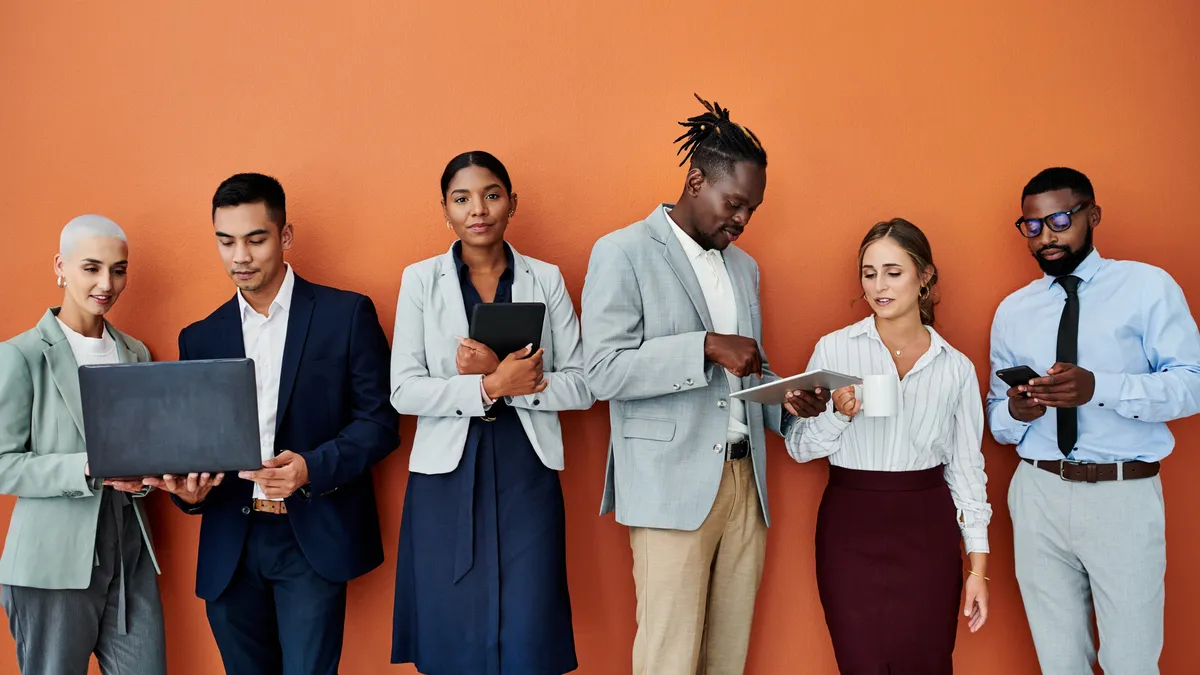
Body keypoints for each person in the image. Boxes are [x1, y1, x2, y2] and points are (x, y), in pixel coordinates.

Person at [580, 94, 828, 675]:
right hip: (670, 488)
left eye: (752, 210)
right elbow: (604, 371)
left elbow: (747, 370)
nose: (742, 221)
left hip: (748, 482)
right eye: (734, 203)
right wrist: (704, 346)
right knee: (668, 658)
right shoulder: (622, 252)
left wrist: (787, 403)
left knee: (727, 657)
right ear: (696, 181)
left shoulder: (744, 267)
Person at [145, 173, 399, 675]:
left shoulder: (346, 314)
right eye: (226, 241)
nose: (240, 255)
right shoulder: (199, 337)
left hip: (312, 537)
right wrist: (187, 496)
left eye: (255, 239)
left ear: (284, 237)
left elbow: (380, 422)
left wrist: (311, 467)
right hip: (229, 544)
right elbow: (194, 447)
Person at [988, 167, 1200, 674]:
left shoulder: (1148, 287)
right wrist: (1017, 410)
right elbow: (997, 418)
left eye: (1059, 219)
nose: (1046, 236)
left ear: (1093, 215)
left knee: (1131, 662)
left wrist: (1099, 387)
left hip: (1122, 495)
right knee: (1059, 663)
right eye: (1032, 226)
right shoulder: (1013, 311)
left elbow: (1192, 383)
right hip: (1038, 492)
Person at [388, 150, 593, 675]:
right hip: (444, 476)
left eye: (491, 194)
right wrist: (483, 387)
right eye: (462, 198)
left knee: (528, 626)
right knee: (449, 628)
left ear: (511, 203)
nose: (478, 209)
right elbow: (404, 391)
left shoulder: (544, 278)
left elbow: (584, 383)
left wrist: (511, 386)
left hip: (527, 468)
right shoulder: (419, 280)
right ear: (446, 211)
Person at [782, 218, 991, 674]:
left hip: (928, 530)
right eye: (869, 272)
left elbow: (967, 471)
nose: (879, 285)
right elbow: (799, 449)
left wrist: (977, 569)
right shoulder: (834, 349)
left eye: (893, 272)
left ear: (925, 276)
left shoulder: (954, 367)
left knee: (929, 663)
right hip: (849, 527)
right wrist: (839, 414)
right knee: (861, 663)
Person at [0, 215, 166, 675]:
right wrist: (87, 467)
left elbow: (144, 454)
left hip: (130, 557)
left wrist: (149, 478)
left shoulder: (136, 353)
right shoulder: (21, 355)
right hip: (50, 564)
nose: (106, 283)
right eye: (91, 268)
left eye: (118, 269)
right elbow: (3, 464)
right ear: (61, 266)